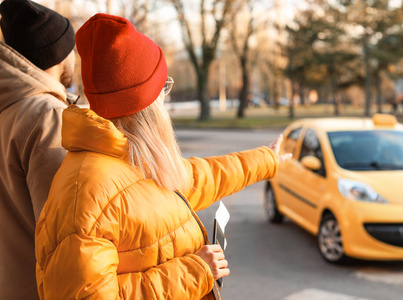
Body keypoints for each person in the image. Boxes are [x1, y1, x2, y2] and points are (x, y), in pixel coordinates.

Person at [35, 13, 290, 300]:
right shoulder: (87, 191)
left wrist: (267, 159)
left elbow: (200, 178)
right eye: (163, 88)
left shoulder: (130, 156)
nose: (165, 99)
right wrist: (195, 271)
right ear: (144, 104)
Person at [0, 0, 76, 299]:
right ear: (59, 54)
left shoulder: (9, 110)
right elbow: (65, 232)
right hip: (41, 290)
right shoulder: (47, 115)